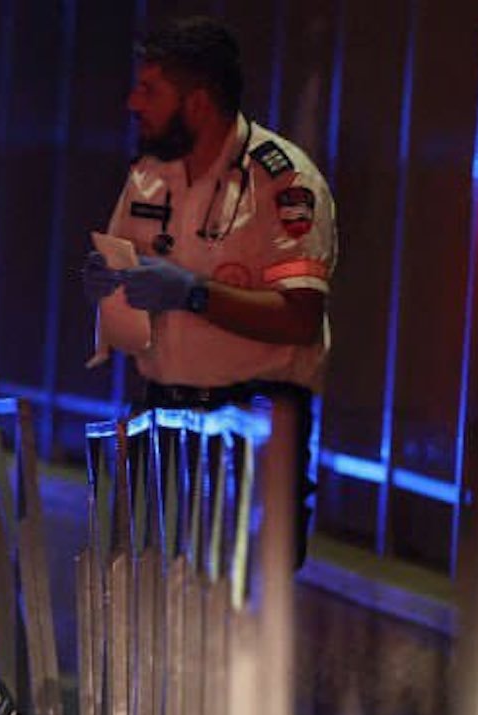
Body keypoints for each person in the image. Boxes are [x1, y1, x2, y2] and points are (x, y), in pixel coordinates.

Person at [83, 15, 338, 559]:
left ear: (196, 102)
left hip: (251, 432)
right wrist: (108, 284)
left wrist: (191, 292)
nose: (133, 102)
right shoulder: (151, 174)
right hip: (162, 423)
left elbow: (300, 317)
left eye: (150, 90)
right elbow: (124, 269)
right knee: (150, 600)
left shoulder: (285, 181)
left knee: (242, 615)